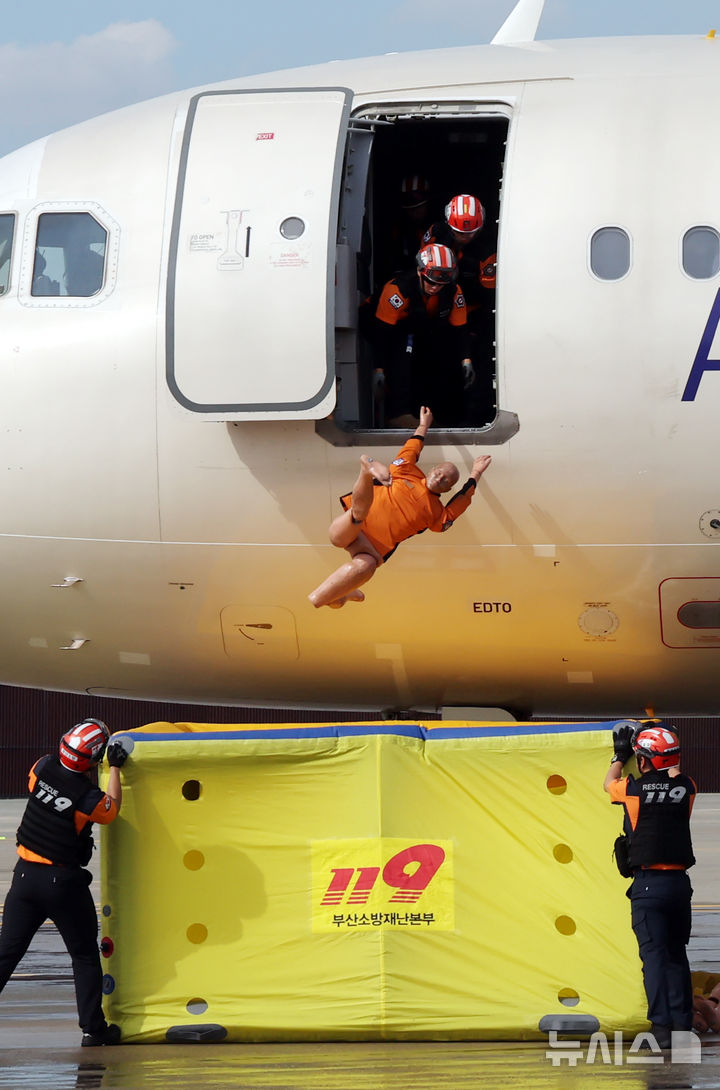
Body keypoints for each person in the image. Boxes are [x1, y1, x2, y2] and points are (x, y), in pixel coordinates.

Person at [0, 718, 128, 1047]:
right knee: (84, 955)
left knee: (7, 954)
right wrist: (115, 768)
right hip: (62, 883)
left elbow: (42, 788)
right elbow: (111, 810)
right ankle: (93, 1030)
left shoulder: (40, 767)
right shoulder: (88, 797)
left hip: (24, 877)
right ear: (93, 759)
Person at [308, 406, 491, 608]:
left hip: (370, 550)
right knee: (357, 516)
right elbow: (412, 448)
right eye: (439, 472)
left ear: (448, 489)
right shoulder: (406, 470)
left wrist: (475, 475)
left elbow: (461, 502)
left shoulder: (436, 513)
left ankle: (338, 595)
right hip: (352, 528)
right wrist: (423, 426)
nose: (439, 479)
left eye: (446, 481)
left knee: (364, 570)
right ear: (431, 470)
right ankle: (366, 468)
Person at [604, 722, 697, 1049]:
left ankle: (660, 1029)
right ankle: (683, 1026)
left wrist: (620, 755)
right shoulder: (688, 788)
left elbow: (608, 784)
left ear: (644, 761)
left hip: (648, 887)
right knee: (676, 956)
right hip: (679, 886)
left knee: (654, 957)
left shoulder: (632, 790)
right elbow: (674, 774)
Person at [372, 244, 474, 427]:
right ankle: (399, 413)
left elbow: (460, 329)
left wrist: (466, 360)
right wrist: (378, 369)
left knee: (441, 355)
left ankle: (441, 413)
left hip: (425, 328)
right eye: (431, 281)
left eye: (441, 283)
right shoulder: (397, 290)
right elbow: (381, 334)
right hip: (390, 328)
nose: (435, 287)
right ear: (420, 272)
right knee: (404, 349)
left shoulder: (452, 291)